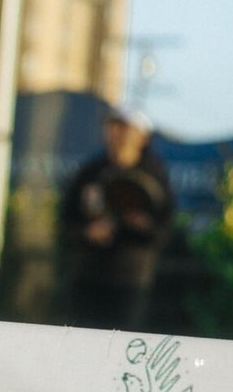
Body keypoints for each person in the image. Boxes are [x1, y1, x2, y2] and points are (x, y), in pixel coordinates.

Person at [59, 106, 175, 330]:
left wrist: (140, 226)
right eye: (113, 127)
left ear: (142, 137)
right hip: (87, 278)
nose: (118, 134)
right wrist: (87, 232)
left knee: (121, 344)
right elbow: (66, 221)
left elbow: (164, 230)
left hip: (130, 283)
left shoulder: (154, 175)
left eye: (126, 129)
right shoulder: (90, 172)